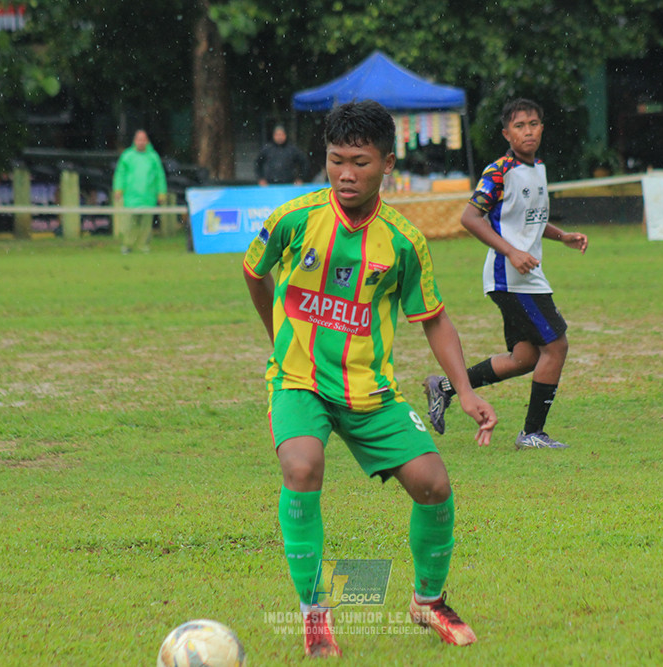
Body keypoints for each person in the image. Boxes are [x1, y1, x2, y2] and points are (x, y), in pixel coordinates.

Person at [243, 100, 497, 658]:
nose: (346, 174)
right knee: (302, 465)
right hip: (297, 379)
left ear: (387, 163)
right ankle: (314, 615)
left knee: (434, 483)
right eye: (336, 161)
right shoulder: (295, 218)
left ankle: (427, 603)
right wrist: (277, 336)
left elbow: (433, 318)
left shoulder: (404, 241)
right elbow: (253, 270)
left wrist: (469, 390)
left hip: (370, 391)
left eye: (359, 162)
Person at [422, 98, 588, 450]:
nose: (527, 131)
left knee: (525, 358)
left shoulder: (539, 167)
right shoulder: (498, 171)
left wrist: (563, 237)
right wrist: (511, 251)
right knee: (556, 346)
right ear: (506, 133)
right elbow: (470, 218)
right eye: (519, 126)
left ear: (542, 127)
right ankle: (531, 434)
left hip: (525, 274)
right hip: (510, 276)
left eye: (533, 124)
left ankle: (445, 387)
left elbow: (530, 220)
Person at [112, 129, 167, 253]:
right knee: (129, 224)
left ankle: (143, 246)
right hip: (131, 196)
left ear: (147, 141)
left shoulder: (153, 157)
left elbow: (160, 176)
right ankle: (127, 245)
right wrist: (118, 189)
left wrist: (161, 192)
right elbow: (120, 174)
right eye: (139, 139)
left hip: (148, 196)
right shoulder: (127, 156)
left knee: (146, 225)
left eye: (143, 140)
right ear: (135, 141)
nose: (141, 142)